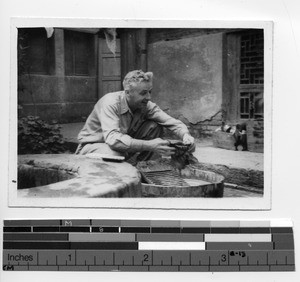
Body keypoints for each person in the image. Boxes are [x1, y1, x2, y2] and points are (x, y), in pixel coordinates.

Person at [76, 70, 195, 162]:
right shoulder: (110, 102)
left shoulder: (145, 105)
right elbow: (113, 140)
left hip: (118, 146)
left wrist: (186, 135)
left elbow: (171, 122)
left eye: (150, 92)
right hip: (92, 147)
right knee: (115, 155)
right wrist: (149, 145)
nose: (149, 97)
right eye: (143, 93)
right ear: (128, 92)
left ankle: (144, 171)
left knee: (154, 126)